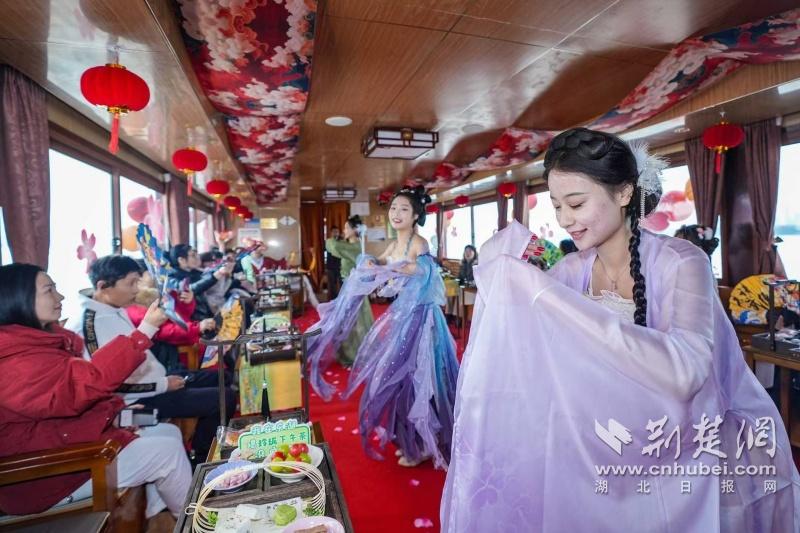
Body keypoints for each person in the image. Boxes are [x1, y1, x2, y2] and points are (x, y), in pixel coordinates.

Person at [441, 128, 800, 531]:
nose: (564, 219)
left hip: (678, 447)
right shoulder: (571, 269)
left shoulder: (682, 262)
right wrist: (506, 278)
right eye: (556, 206)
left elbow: (686, 372)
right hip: (594, 441)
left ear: (625, 192)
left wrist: (548, 297)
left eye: (576, 203)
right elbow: (528, 347)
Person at [0, 263, 191, 519]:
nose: (60, 297)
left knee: (168, 432)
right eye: (49, 290)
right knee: (167, 453)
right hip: (48, 472)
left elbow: (66, 401)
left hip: (70, 441)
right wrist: (144, 331)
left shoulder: (37, 342)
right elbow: (86, 384)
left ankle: (157, 518)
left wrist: (115, 413)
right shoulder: (14, 362)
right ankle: (191, 522)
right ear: (18, 298)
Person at [307, 187, 460, 469]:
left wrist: (399, 267)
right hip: (405, 316)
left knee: (420, 379)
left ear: (415, 216)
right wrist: (371, 262)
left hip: (423, 320)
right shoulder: (393, 243)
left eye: (404, 209)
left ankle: (426, 443)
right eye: (393, 208)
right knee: (399, 379)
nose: (396, 213)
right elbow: (381, 260)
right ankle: (415, 442)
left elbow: (426, 271)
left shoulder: (419, 243)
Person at [68, 255, 235, 464]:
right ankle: (202, 459)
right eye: (131, 283)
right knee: (224, 398)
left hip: (155, 381)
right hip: (134, 401)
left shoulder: (115, 309)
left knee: (221, 377)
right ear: (103, 286)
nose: (136, 290)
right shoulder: (90, 326)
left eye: (138, 282)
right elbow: (106, 384)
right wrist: (163, 385)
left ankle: (206, 446)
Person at [324, 215, 374, 366]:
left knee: (354, 322)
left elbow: (332, 246)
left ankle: (355, 354)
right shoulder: (353, 245)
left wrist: (333, 238)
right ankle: (354, 352)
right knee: (351, 321)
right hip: (350, 288)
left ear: (354, 230)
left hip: (354, 290)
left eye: (346, 228)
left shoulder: (354, 247)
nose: (344, 230)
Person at [169, 244, 232, 320]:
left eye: (197, 254)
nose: (197, 257)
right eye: (193, 255)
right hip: (191, 321)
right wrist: (215, 276)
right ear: (181, 260)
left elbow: (210, 273)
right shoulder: (171, 277)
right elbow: (189, 289)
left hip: (204, 317)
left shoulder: (194, 272)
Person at [325, 226, 343, 299]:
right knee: (332, 285)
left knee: (342, 283)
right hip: (331, 266)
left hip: (340, 266)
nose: (336, 233)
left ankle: (342, 299)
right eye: (334, 232)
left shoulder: (341, 241)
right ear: (331, 233)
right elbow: (333, 251)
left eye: (337, 232)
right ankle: (333, 300)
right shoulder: (328, 241)